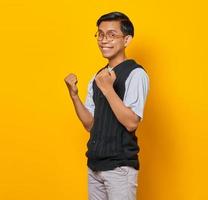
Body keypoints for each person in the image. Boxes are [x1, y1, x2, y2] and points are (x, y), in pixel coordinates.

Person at [64, 11, 150, 200]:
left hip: (120, 168)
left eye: (111, 35)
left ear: (126, 40)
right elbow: (90, 125)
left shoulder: (136, 74)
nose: (104, 40)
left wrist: (108, 89)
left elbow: (131, 122)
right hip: (94, 165)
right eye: (100, 34)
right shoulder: (98, 77)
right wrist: (74, 96)